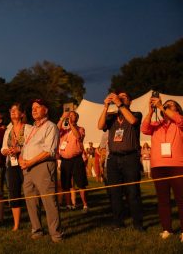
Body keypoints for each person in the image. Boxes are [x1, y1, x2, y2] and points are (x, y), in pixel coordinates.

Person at [97, 91, 144, 231]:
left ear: (130, 101)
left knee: (133, 192)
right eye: (119, 96)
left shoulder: (136, 114)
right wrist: (105, 106)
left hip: (130, 157)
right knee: (115, 193)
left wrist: (119, 103)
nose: (120, 98)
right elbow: (100, 126)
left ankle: (138, 224)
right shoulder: (112, 117)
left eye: (124, 97)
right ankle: (118, 222)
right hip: (113, 158)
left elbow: (132, 121)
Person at [19, 99, 62, 242]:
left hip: (43, 166)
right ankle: (37, 230)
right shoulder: (32, 128)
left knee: (48, 200)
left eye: (37, 107)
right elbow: (25, 147)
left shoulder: (51, 126)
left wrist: (30, 161)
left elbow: (49, 151)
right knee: (31, 201)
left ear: (46, 110)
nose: (34, 110)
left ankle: (55, 234)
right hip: (28, 169)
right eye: (32, 108)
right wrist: (21, 158)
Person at [141, 98, 183, 241]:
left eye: (172, 107)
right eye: (166, 106)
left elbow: (181, 121)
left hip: (178, 165)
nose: (167, 108)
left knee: (181, 199)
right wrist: (151, 111)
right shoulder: (156, 124)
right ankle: (167, 229)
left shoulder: (179, 123)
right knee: (163, 200)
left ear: (177, 110)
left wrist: (162, 107)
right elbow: (144, 129)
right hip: (158, 166)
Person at [1, 103, 31, 231]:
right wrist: (7, 151)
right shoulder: (8, 130)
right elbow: (2, 148)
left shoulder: (29, 128)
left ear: (22, 114)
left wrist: (19, 149)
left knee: (30, 192)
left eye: (15, 110)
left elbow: (32, 146)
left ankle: (35, 220)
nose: (12, 112)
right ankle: (16, 224)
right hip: (12, 165)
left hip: (26, 163)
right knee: (14, 193)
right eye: (11, 110)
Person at [57, 111, 88, 212]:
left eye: (73, 115)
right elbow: (54, 131)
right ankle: (68, 204)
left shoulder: (80, 129)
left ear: (77, 118)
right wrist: (62, 118)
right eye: (69, 115)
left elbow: (78, 136)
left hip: (76, 159)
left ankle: (85, 205)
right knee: (66, 184)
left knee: (81, 183)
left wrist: (70, 123)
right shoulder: (63, 130)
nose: (70, 116)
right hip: (65, 160)